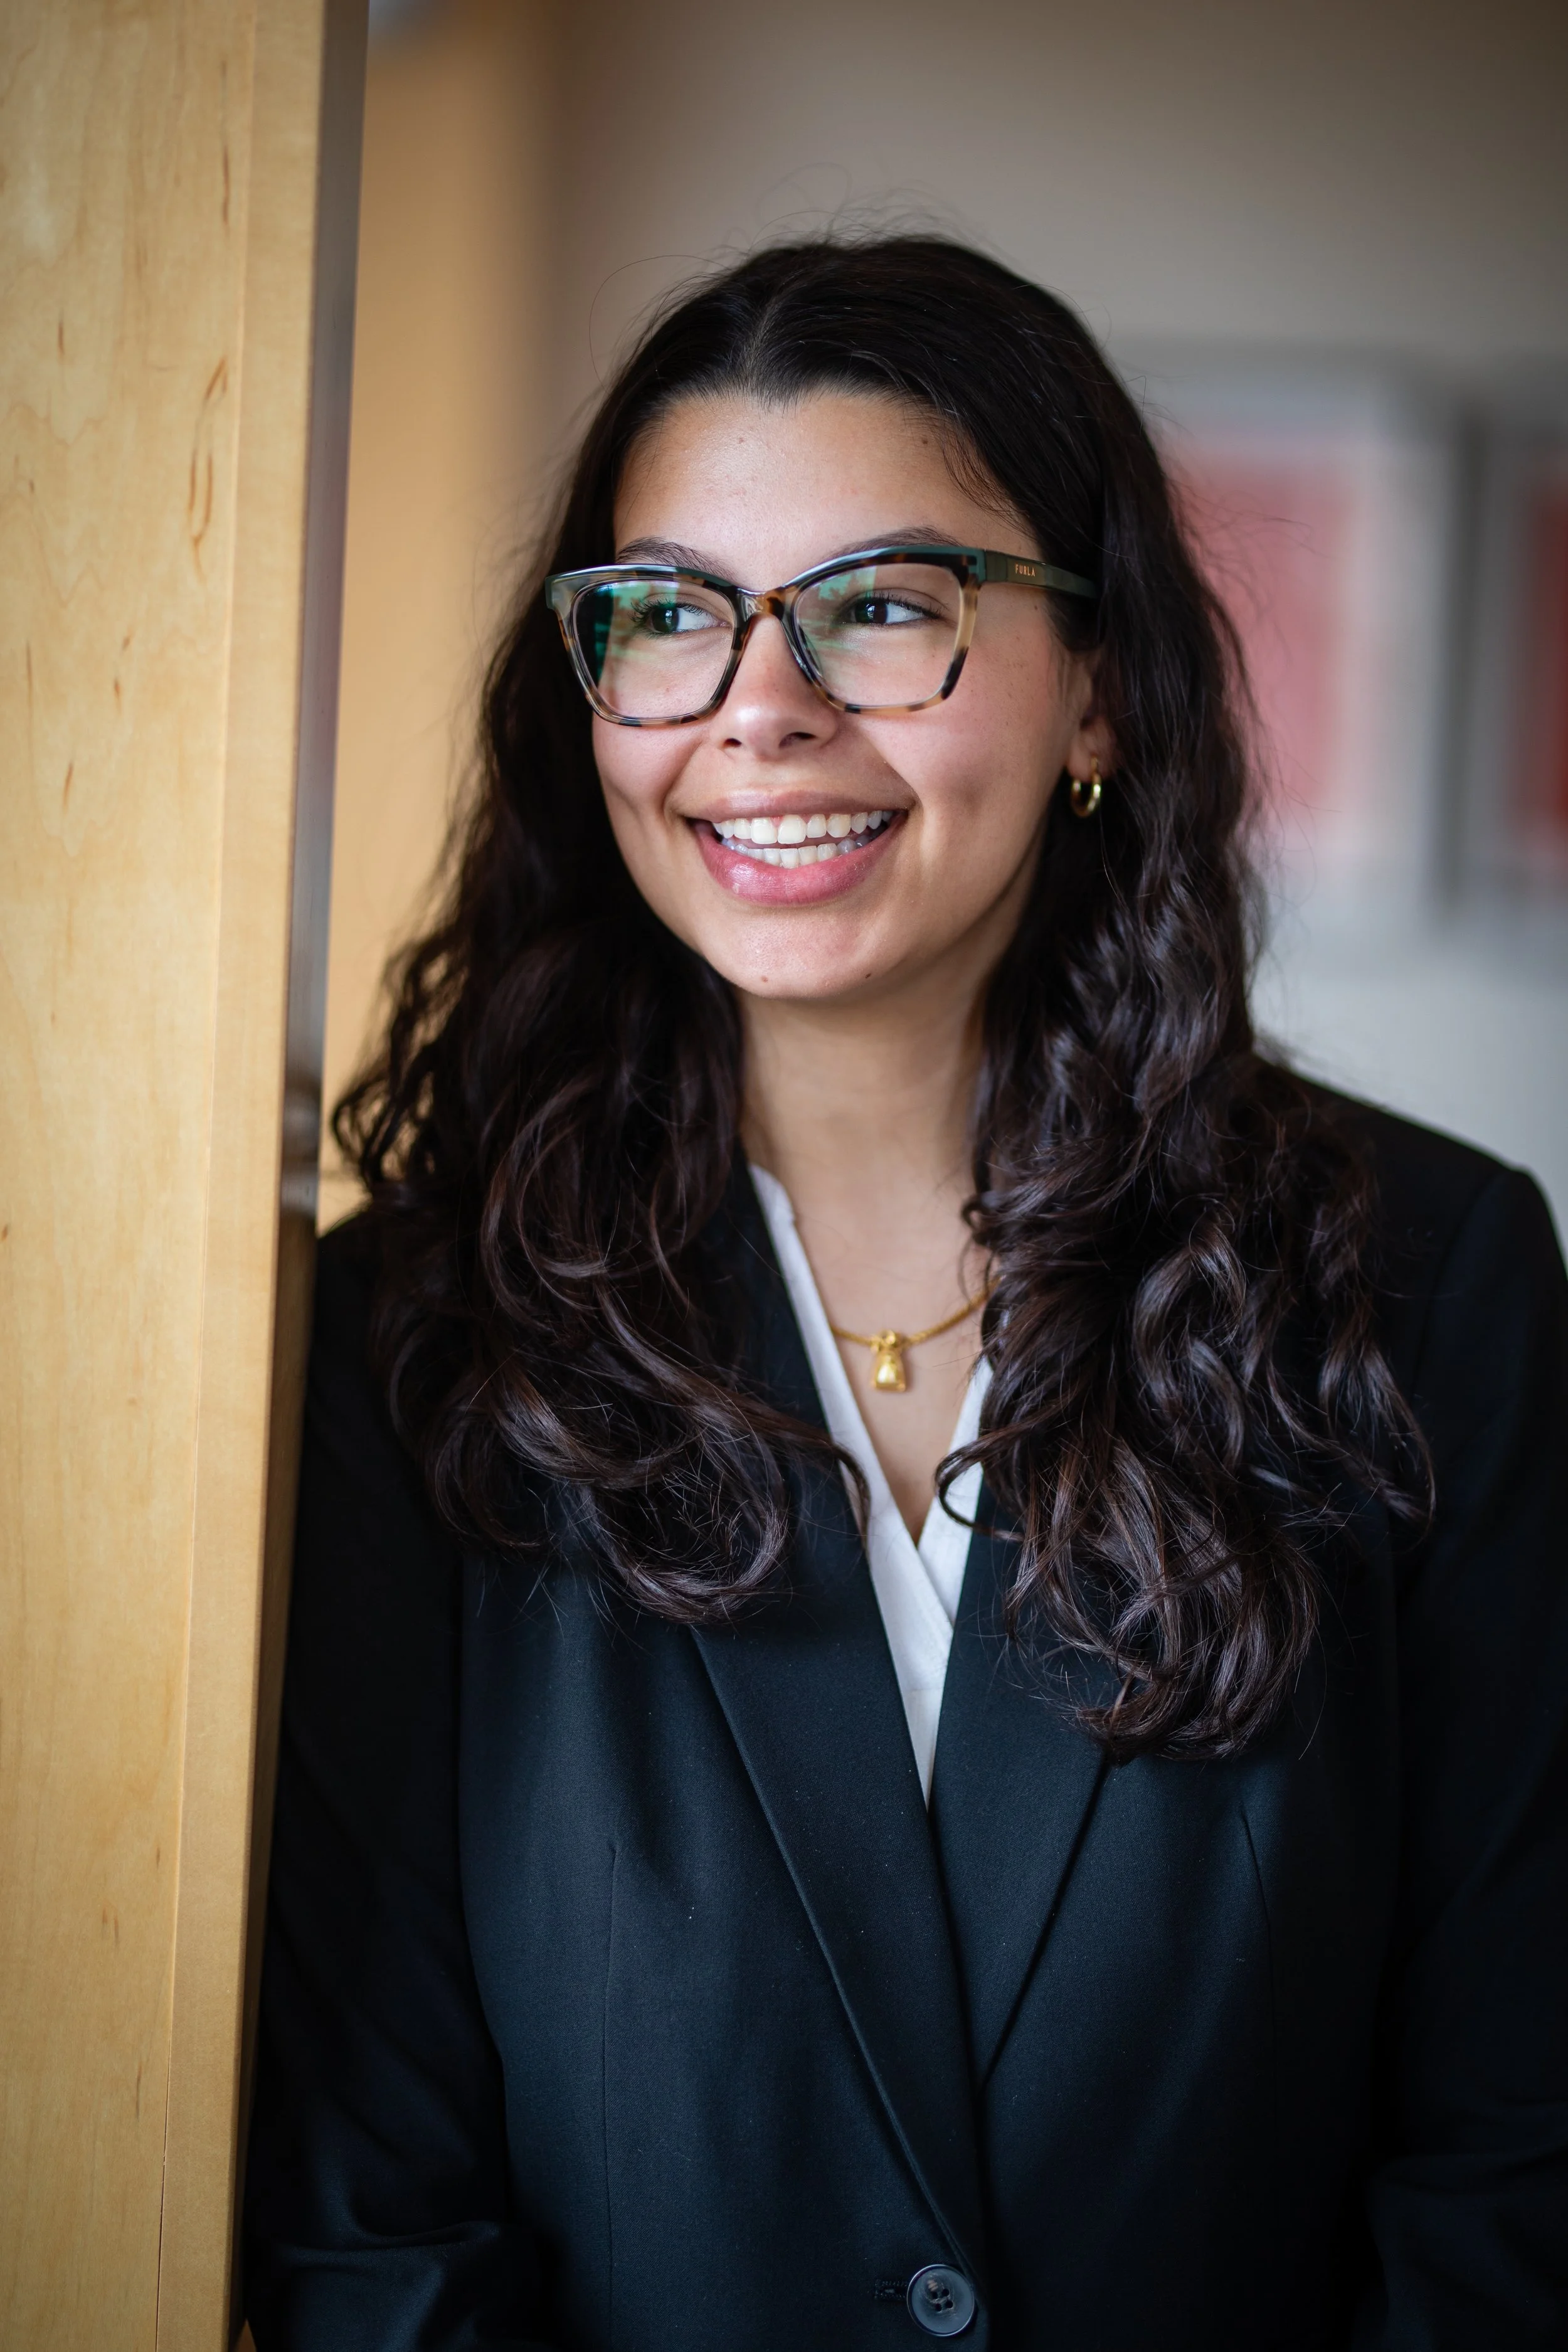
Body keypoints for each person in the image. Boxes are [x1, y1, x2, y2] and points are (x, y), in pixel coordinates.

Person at [243, 237, 1568, 2351]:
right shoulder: (404, 1343)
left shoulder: (1427, 1287)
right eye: (665, 613)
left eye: (880, 606)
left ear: (1100, 688)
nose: (755, 707)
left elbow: (1516, 2159)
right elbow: (370, 2232)